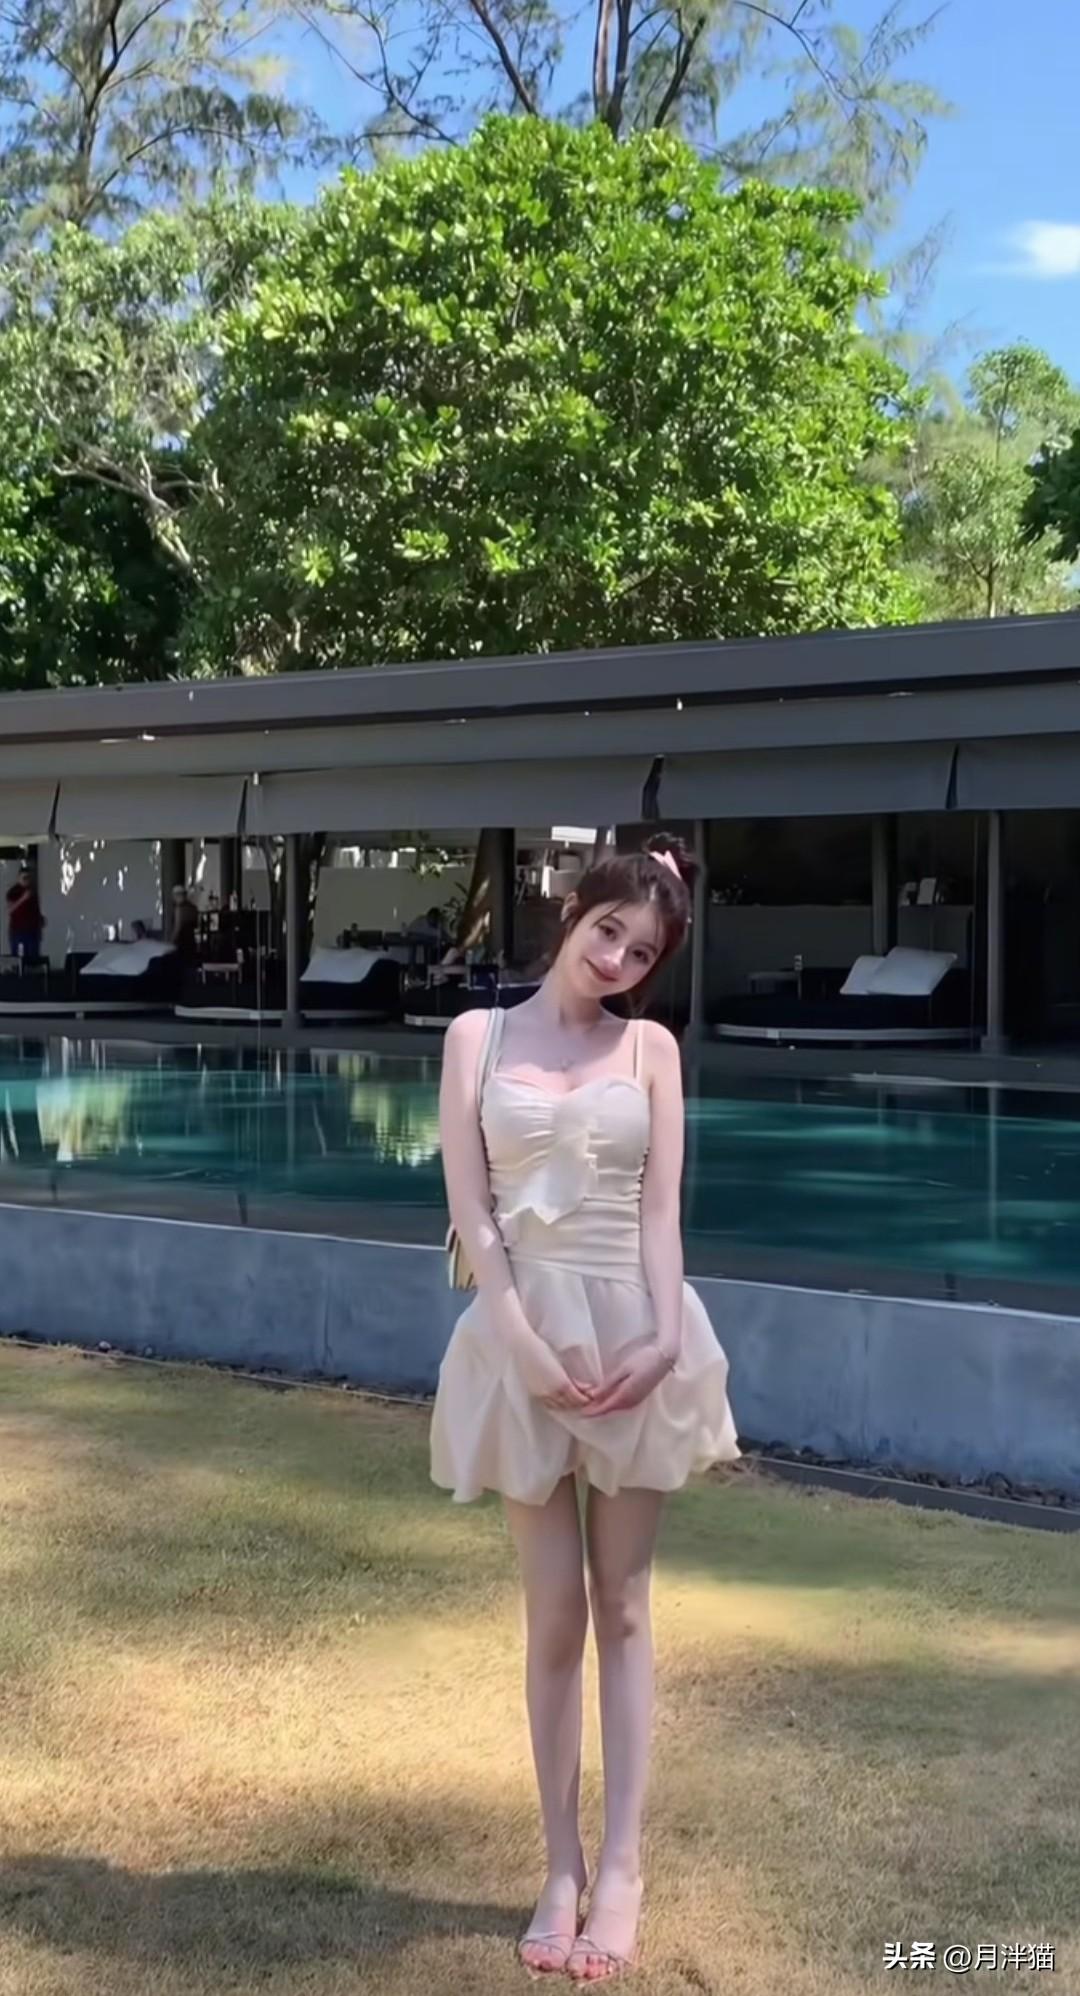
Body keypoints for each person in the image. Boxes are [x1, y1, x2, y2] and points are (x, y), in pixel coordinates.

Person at [430, 833, 741, 1981]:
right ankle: (559, 1868)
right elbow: (475, 1214)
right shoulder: (476, 1038)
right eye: (609, 931)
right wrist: (522, 1344)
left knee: (624, 1605)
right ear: (573, 913)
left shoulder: (651, 1050)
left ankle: (621, 1868)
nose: (617, 959)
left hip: (632, 1341)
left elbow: (661, 1213)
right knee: (554, 1612)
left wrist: (664, 1342)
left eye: (641, 952)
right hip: (523, 1340)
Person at [6, 865, 45, 962]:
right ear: (19, 878)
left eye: (28, 878)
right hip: (18, 932)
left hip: (32, 932)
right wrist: (22, 899)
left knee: (33, 960)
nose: (26, 880)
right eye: (24, 878)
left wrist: (40, 920)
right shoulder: (13, 892)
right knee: (19, 960)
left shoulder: (32, 892)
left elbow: (35, 910)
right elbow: (9, 910)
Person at [170, 885, 199, 963]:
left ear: (177, 895)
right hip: (191, 941)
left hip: (181, 943)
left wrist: (172, 941)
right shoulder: (193, 908)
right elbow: (196, 924)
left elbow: (177, 927)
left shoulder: (179, 908)